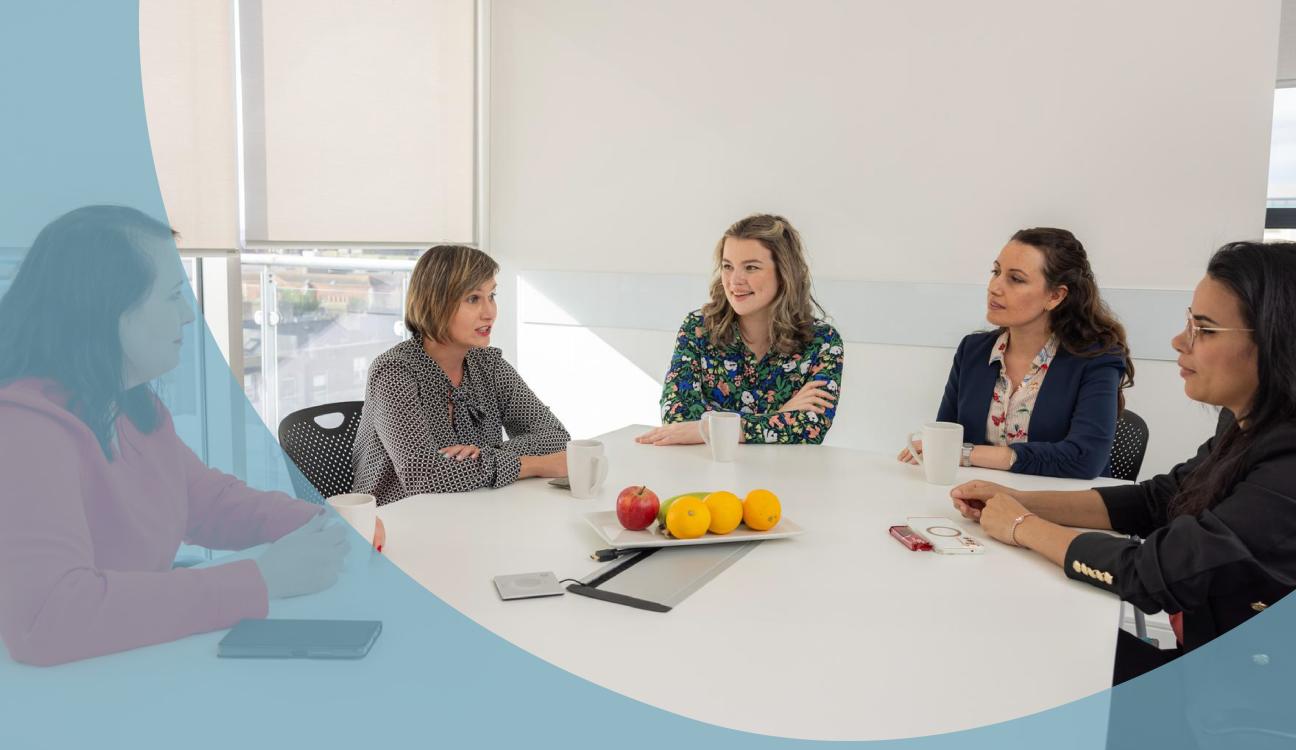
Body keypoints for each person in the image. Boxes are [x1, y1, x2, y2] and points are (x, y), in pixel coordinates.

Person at [0, 206, 348, 666]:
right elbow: (51, 617)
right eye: (171, 296)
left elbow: (207, 502)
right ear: (107, 310)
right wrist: (260, 582)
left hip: (130, 668)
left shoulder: (127, 402)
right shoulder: (24, 431)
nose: (187, 315)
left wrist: (328, 525)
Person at [948, 241, 1296, 683]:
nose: (1178, 341)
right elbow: (1158, 500)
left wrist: (1022, 525)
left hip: (1231, 702)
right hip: (1210, 663)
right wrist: (1019, 499)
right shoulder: (1245, 426)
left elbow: (1153, 572)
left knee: (1018, 657)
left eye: (1204, 330)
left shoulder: (1287, 464)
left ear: (1277, 342)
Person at [901, 227, 1133, 479]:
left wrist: (967, 453)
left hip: (1061, 508)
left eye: (1016, 279)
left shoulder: (1096, 359)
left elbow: (1085, 459)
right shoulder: (973, 351)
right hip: (978, 500)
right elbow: (944, 438)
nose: (994, 287)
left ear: (1055, 296)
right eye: (996, 272)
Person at [351, 245, 569, 505]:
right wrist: (534, 465)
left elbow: (555, 436)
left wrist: (483, 455)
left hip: (471, 509)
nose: (490, 312)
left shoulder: (488, 364)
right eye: (473, 299)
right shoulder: (394, 372)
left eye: (492, 295)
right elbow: (422, 474)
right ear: (436, 303)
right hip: (394, 522)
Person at [636, 214, 844, 447]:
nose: (735, 280)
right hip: (704, 475)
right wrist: (779, 416)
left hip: (784, 478)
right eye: (727, 266)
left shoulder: (822, 341)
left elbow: (809, 429)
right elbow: (678, 419)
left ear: (784, 273)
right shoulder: (698, 329)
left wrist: (706, 429)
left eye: (751, 267)